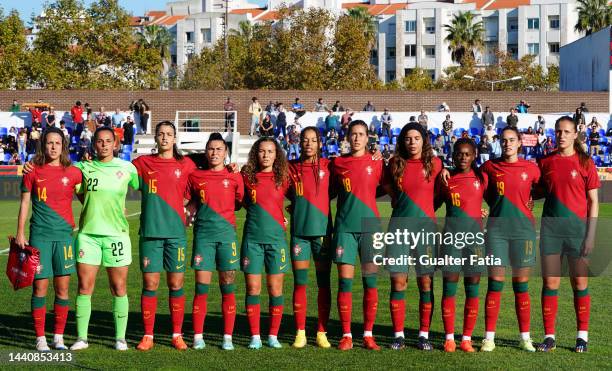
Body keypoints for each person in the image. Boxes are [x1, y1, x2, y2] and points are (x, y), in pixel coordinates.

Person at [70, 127, 139, 351]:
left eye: (108, 141)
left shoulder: (127, 168)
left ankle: (120, 338)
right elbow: (76, 190)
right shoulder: (82, 168)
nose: (104, 145)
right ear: (94, 144)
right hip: (88, 236)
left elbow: (148, 187)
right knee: (84, 287)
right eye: (100, 141)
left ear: (116, 144)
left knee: (118, 287)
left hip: (116, 236)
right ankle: (82, 338)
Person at [132, 121, 197, 351]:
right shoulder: (142, 163)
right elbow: (118, 175)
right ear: (156, 138)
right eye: (161, 134)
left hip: (176, 233)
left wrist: (192, 208)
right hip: (150, 232)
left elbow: (203, 185)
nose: (165, 138)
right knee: (150, 283)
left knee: (176, 283)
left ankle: (176, 334)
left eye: (169, 134)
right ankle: (148, 335)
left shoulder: (186, 164)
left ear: (175, 138)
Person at [536, 116, 600, 353]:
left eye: (566, 131)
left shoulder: (586, 163)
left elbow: (593, 202)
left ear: (575, 134)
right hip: (551, 232)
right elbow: (536, 190)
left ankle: (582, 336)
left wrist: (591, 236)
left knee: (579, 282)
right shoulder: (545, 162)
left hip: (578, 234)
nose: (561, 135)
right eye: (558, 131)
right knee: (550, 282)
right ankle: (549, 336)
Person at [16, 127, 82, 351]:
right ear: (43, 145)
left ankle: (58, 337)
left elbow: (87, 198)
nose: (53, 147)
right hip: (40, 237)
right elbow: (25, 203)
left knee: (63, 289)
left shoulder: (73, 172)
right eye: (49, 143)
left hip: (64, 237)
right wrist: (20, 232)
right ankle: (40, 338)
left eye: (58, 143)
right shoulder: (32, 169)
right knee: (40, 288)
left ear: (63, 146)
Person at [382, 122, 445, 351]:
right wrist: (394, 196)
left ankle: (423, 335)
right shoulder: (394, 163)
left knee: (425, 282)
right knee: (398, 281)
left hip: (425, 230)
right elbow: (385, 183)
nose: (412, 142)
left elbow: (444, 190)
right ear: (402, 141)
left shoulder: (436, 164)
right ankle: (398, 335)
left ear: (424, 140)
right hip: (399, 229)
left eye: (416, 138)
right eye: (408, 138)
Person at [480, 126, 541, 352]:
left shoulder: (531, 168)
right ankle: (489, 338)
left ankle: (525, 337)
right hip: (497, 233)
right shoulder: (489, 166)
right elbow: (475, 187)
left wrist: (532, 198)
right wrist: (477, 206)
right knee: (495, 284)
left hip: (523, 232)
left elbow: (543, 187)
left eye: (512, 140)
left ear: (519, 143)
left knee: (521, 286)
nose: (507, 144)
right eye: (504, 140)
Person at [184, 133, 243, 351]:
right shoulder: (195, 176)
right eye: (211, 149)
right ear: (206, 152)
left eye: (219, 149)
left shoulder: (235, 176)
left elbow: (239, 202)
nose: (215, 152)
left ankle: (227, 337)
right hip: (204, 237)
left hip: (227, 237)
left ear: (226, 152)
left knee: (228, 287)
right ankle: (198, 336)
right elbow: (188, 201)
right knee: (201, 288)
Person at [332, 120, 384, 351]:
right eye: (353, 134)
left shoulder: (378, 162)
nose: (356, 138)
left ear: (367, 138)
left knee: (370, 283)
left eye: (361, 134)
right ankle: (346, 335)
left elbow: (392, 187)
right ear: (347, 137)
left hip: (371, 229)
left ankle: (368, 334)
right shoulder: (338, 163)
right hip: (345, 229)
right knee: (345, 283)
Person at [435, 138, 488, 353]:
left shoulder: (482, 177)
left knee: (472, 289)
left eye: (467, 154)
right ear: (453, 154)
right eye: (459, 153)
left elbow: (500, 197)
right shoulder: (446, 179)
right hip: (451, 241)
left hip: (475, 241)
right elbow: (431, 204)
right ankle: (449, 338)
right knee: (450, 288)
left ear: (474, 155)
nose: (463, 157)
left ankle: (466, 338)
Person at [240, 137, 290, 349]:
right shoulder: (246, 176)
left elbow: (301, 198)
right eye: (262, 151)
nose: (266, 155)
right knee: (253, 288)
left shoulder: (284, 177)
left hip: (276, 240)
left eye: (270, 151)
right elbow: (240, 200)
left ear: (276, 155)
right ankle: (255, 336)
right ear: (256, 153)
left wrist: (283, 216)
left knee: (275, 289)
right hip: (252, 239)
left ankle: (272, 335)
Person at [287, 127, 333, 349]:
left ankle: (322, 332)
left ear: (320, 143)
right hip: (299, 235)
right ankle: (300, 331)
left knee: (323, 283)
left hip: (323, 233)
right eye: (305, 140)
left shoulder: (328, 166)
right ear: (299, 142)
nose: (309, 144)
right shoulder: (290, 168)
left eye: (313, 140)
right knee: (301, 283)